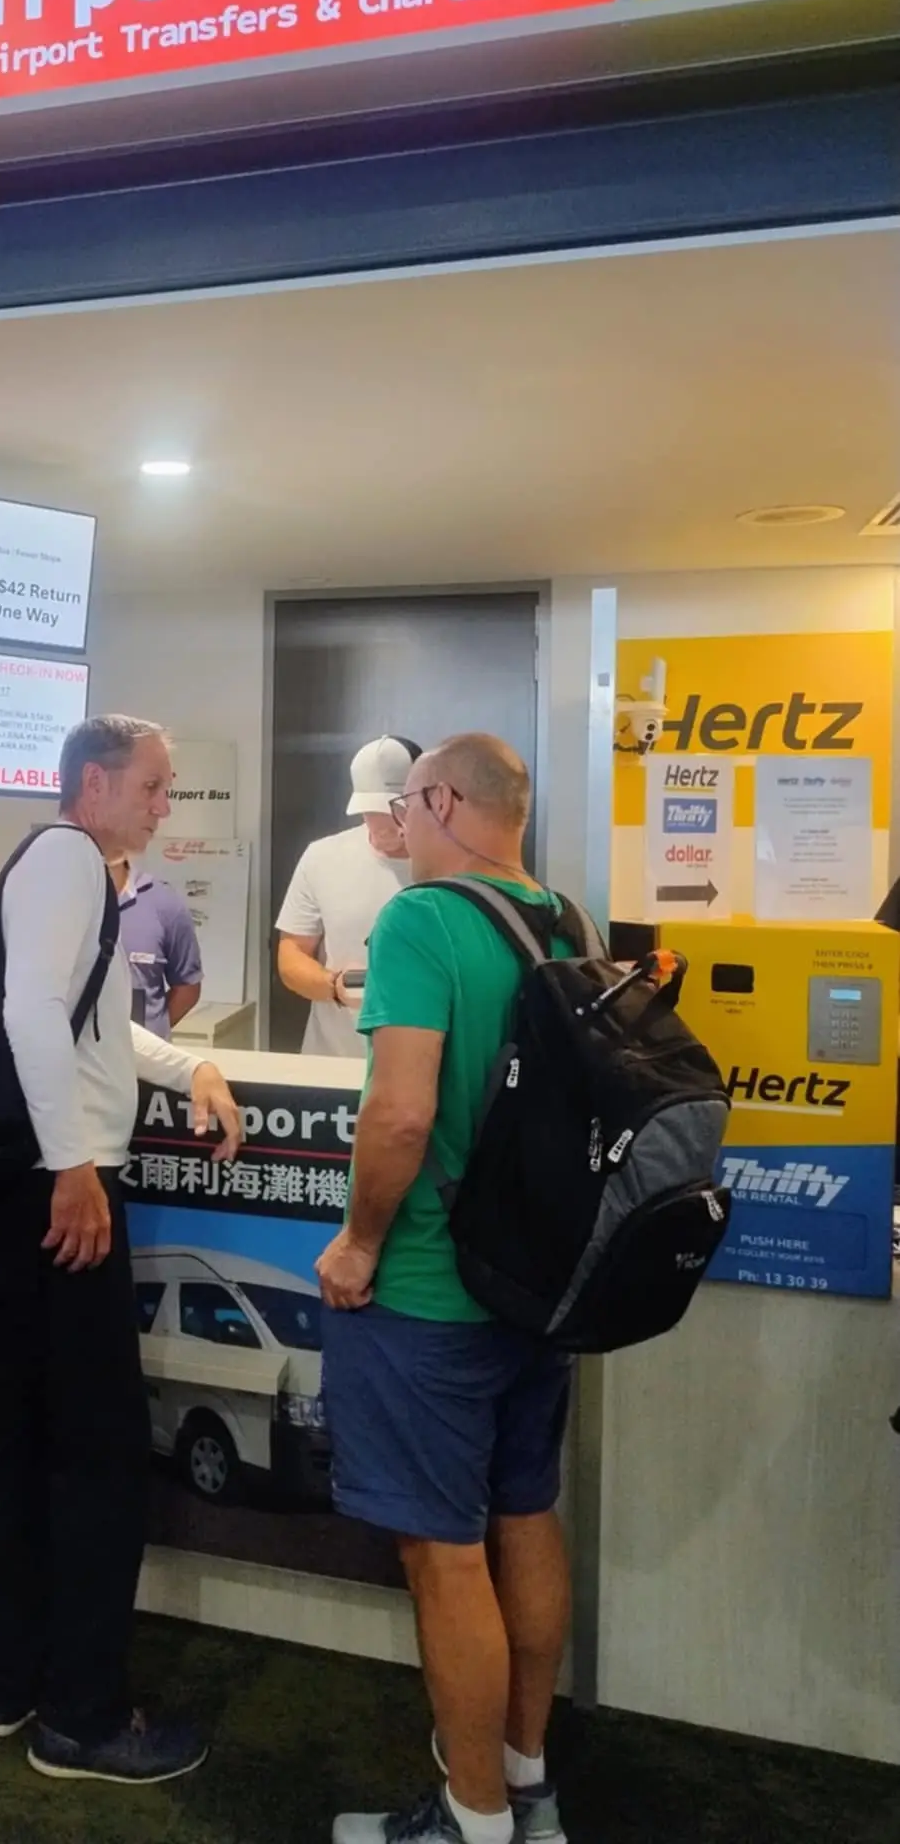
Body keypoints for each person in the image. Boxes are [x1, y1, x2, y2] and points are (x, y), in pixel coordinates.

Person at [0, 714, 244, 1788]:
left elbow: (86, 1022)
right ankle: (78, 1717)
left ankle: (13, 1683)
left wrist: (186, 1066)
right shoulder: (71, 857)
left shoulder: (64, 866)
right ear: (94, 782)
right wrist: (75, 1161)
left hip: (34, 1181)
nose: (167, 804)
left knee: (24, 1429)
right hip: (58, 1190)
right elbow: (37, 1012)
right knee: (96, 1450)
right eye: (156, 786)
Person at [317, 734, 573, 1844]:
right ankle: (526, 1778)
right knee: (525, 1513)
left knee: (444, 1550)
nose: (397, 832)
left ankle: (473, 1817)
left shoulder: (420, 921)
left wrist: (361, 1243)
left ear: (443, 798)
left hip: (429, 1287)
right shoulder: (566, 918)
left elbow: (402, 1113)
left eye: (405, 811)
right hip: (536, 1287)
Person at [275, 736, 421, 1056]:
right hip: (332, 1059)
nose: (382, 824)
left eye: (393, 809)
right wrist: (334, 987)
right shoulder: (323, 857)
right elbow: (291, 954)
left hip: (422, 1065)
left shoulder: (452, 865)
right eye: (371, 810)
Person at [107, 853, 203, 1038]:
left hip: (142, 1060)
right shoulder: (61, 903)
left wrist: (152, 1034)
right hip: (80, 1059)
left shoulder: (164, 903)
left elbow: (187, 989)